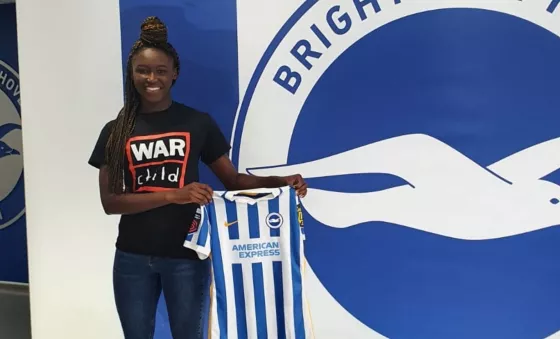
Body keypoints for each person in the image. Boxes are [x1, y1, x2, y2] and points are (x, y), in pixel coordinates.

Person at [88, 16, 308, 339]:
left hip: (187, 257)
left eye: (160, 71)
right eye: (143, 70)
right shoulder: (115, 131)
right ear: (131, 73)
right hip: (132, 258)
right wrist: (174, 195)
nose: (152, 78)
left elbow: (232, 181)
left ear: (174, 73)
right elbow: (110, 203)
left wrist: (281, 181)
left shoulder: (196, 122)